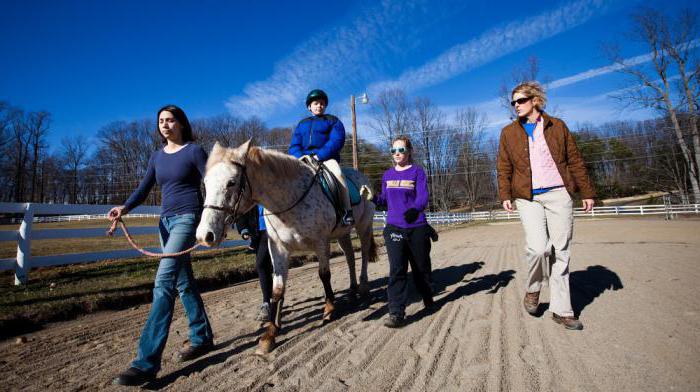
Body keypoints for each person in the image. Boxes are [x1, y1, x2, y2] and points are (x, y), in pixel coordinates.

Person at [109, 105, 214, 386]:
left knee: (163, 281)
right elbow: (144, 189)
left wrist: (211, 219)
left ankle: (145, 363)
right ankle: (202, 337)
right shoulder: (156, 156)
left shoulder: (194, 151)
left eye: (170, 120)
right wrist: (125, 208)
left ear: (181, 124)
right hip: (164, 223)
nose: (165, 125)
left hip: (187, 218)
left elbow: (212, 183)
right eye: (161, 121)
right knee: (184, 283)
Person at [497, 81, 596, 330]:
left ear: (535, 101)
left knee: (561, 251)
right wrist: (505, 194)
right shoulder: (508, 132)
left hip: (558, 194)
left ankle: (562, 310)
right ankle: (533, 289)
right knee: (539, 249)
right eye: (514, 102)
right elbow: (503, 167)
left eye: (521, 100)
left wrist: (587, 191)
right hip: (527, 197)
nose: (516, 106)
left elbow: (574, 159)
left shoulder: (557, 126)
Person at [372, 135, 434, 328]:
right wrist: (372, 198)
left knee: (421, 268)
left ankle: (427, 295)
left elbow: (423, 197)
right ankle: (396, 312)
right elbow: (384, 200)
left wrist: (415, 209)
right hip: (394, 227)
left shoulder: (417, 172)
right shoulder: (387, 175)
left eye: (401, 150)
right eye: (393, 151)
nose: (397, 154)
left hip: (416, 227)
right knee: (397, 270)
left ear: (409, 152)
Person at [288, 89, 354, 225]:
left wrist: (320, 155)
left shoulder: (333, 121)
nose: (319, 106)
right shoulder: (302, 124)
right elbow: (294, 144)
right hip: (304, 159)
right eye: (316, 103)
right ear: (309, 107)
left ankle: (347, 211)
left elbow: (336, 141)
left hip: (326, 158)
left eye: (322, 103)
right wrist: (300, 157)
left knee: (338, 174)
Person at [235, 205, 273, 322]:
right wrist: (243, 229)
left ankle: (267, 302)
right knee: (264, 266)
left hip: (273, 229)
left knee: (261, 264)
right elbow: (242, 209)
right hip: (256, 232)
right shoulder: (250, 188)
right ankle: (268, 301)